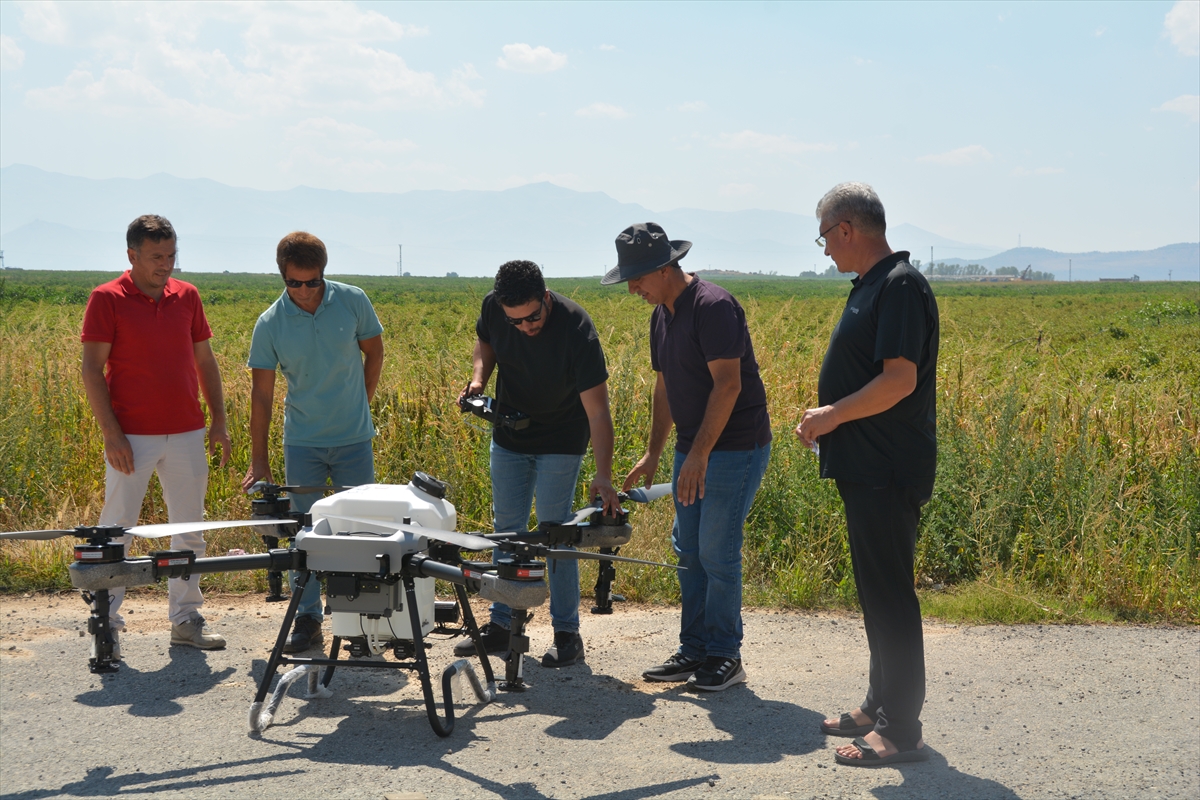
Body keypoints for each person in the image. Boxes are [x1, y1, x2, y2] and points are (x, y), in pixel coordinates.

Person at [796, 182, 939, 767]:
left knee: (890, 599)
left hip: (886, 467)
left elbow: (899, 380)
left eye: (826, 236)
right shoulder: (875, 286)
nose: (825, 249)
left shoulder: (900, 287)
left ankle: (901, 730)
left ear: (847, 229)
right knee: (876, 596)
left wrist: (831, 414)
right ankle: (879, 706)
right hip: (866, 466)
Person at [604, 222, 771, 692]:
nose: (632, 288)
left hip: (734, 447)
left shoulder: (713, 307)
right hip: (692, 449)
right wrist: (655, 452)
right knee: (688, 551)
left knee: (717, 551)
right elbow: (666, 387)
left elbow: (729, 385)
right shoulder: (662, 313)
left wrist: (699, 454)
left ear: (664, 268)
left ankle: (724, 654)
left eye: (637, 278)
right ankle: (695, 648)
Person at [453, 260, 619, 668]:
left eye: (532, 317)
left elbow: (598, 413)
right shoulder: (496, 309)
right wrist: (478, 380)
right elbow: (485, 341)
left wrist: (603, 475)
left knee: (555, 532)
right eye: (516, 322)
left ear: (546, 298)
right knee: (505, 531)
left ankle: (567, 634)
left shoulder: (577, 329)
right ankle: (500, 624)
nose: (525, 327)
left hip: (562, 437)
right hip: (510, 434)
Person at [81, 214, 231, 657]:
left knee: (189, 530)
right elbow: (92, 370)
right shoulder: (106, 298)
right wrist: (112, 434)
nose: (166, 265)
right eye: (156, 257)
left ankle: (186, 620)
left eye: (171, 255)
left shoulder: (188, 296)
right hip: (132, 436)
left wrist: (218, 421)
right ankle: (105, 625)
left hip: (187, 431)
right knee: (117, 530)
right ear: (132, 255)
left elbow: (205, 362)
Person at [241, 231, 384, 654]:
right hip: (301, 442)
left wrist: (362, 401)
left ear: (324, 274)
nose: (304, 292)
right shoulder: (269, 324)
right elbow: (262, 396)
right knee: (304, 536)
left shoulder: (354, 300)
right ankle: (307, 619)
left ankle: (358, 620)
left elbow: (374, 353)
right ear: (282, 277)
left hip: (354, 439)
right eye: (294, 283)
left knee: (360, 531)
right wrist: (259, 458)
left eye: (313, 282)